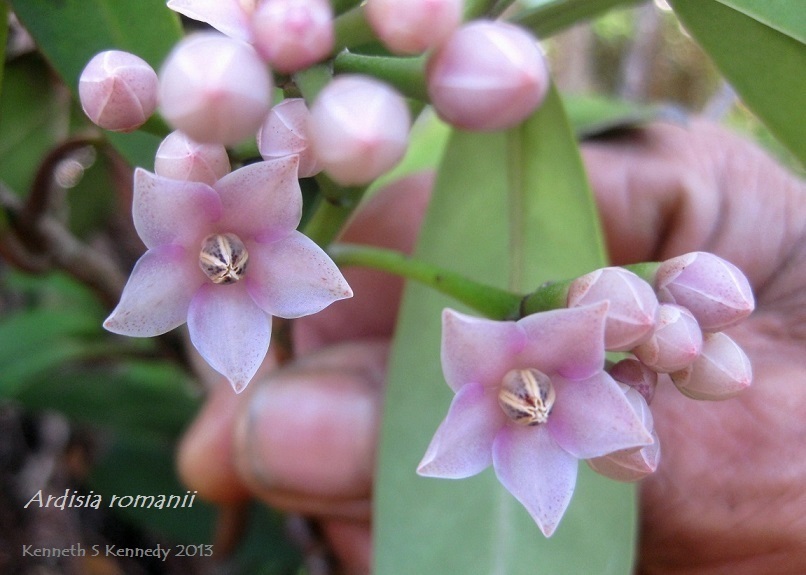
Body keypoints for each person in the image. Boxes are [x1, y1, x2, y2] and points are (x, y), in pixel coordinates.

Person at [177, 119, 806, 574]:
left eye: (529, 398)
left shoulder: (552, 355)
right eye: (531, 397)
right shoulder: (559, 348)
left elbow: (597, 350)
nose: (532, 402)